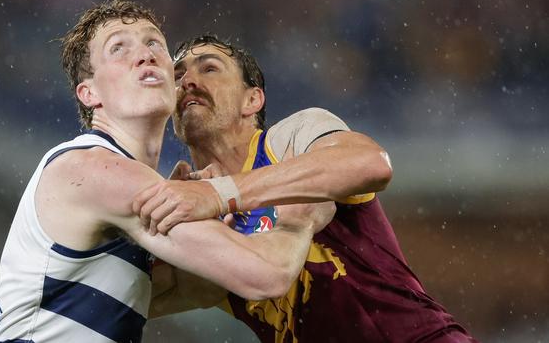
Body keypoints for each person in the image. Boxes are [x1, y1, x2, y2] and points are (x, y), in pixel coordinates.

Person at [0, 0, 334, 343]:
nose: (145, 54)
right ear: (89, 93)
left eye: (153, 42)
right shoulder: (96, 170)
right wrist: (298, 219)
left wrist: (209, 223)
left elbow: (198, 289)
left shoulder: (115, 179)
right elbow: (266, 277)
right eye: (118, 48)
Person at [134, 35, 478, 342]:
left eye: (209, 68)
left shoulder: (288, 140)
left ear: (252, 100)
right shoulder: (195, 214)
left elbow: (371, 163)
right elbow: (126, 297)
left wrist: (219, 193)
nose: (188, 82)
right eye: (177, 76)